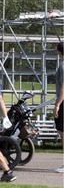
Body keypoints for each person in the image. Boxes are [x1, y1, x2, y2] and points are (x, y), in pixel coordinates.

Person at [53, 42, 64, 173]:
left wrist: (57, 104)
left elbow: (63, 87)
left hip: (63, 102)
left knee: (63, 132)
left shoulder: (62, 66)